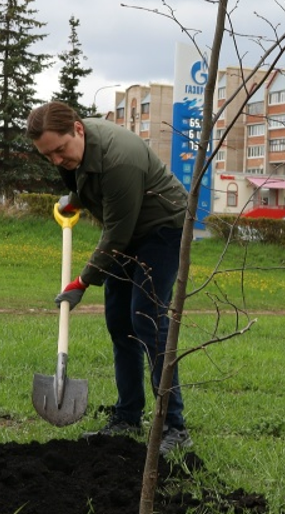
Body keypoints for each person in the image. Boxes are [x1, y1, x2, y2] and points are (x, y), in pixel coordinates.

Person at [26, 101, 191, 453]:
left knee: (147, 320)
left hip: (162, 227)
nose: (56, 160)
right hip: (128, 230)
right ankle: (128, 416)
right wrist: (74, 199)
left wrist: (82, 282)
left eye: (60, 150)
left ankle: (174, 427)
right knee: (120, 322)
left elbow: (116, 233)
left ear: (78, 129)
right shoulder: (73, 153)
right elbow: (87, 185)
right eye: (47, 155)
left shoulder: (120, 160)